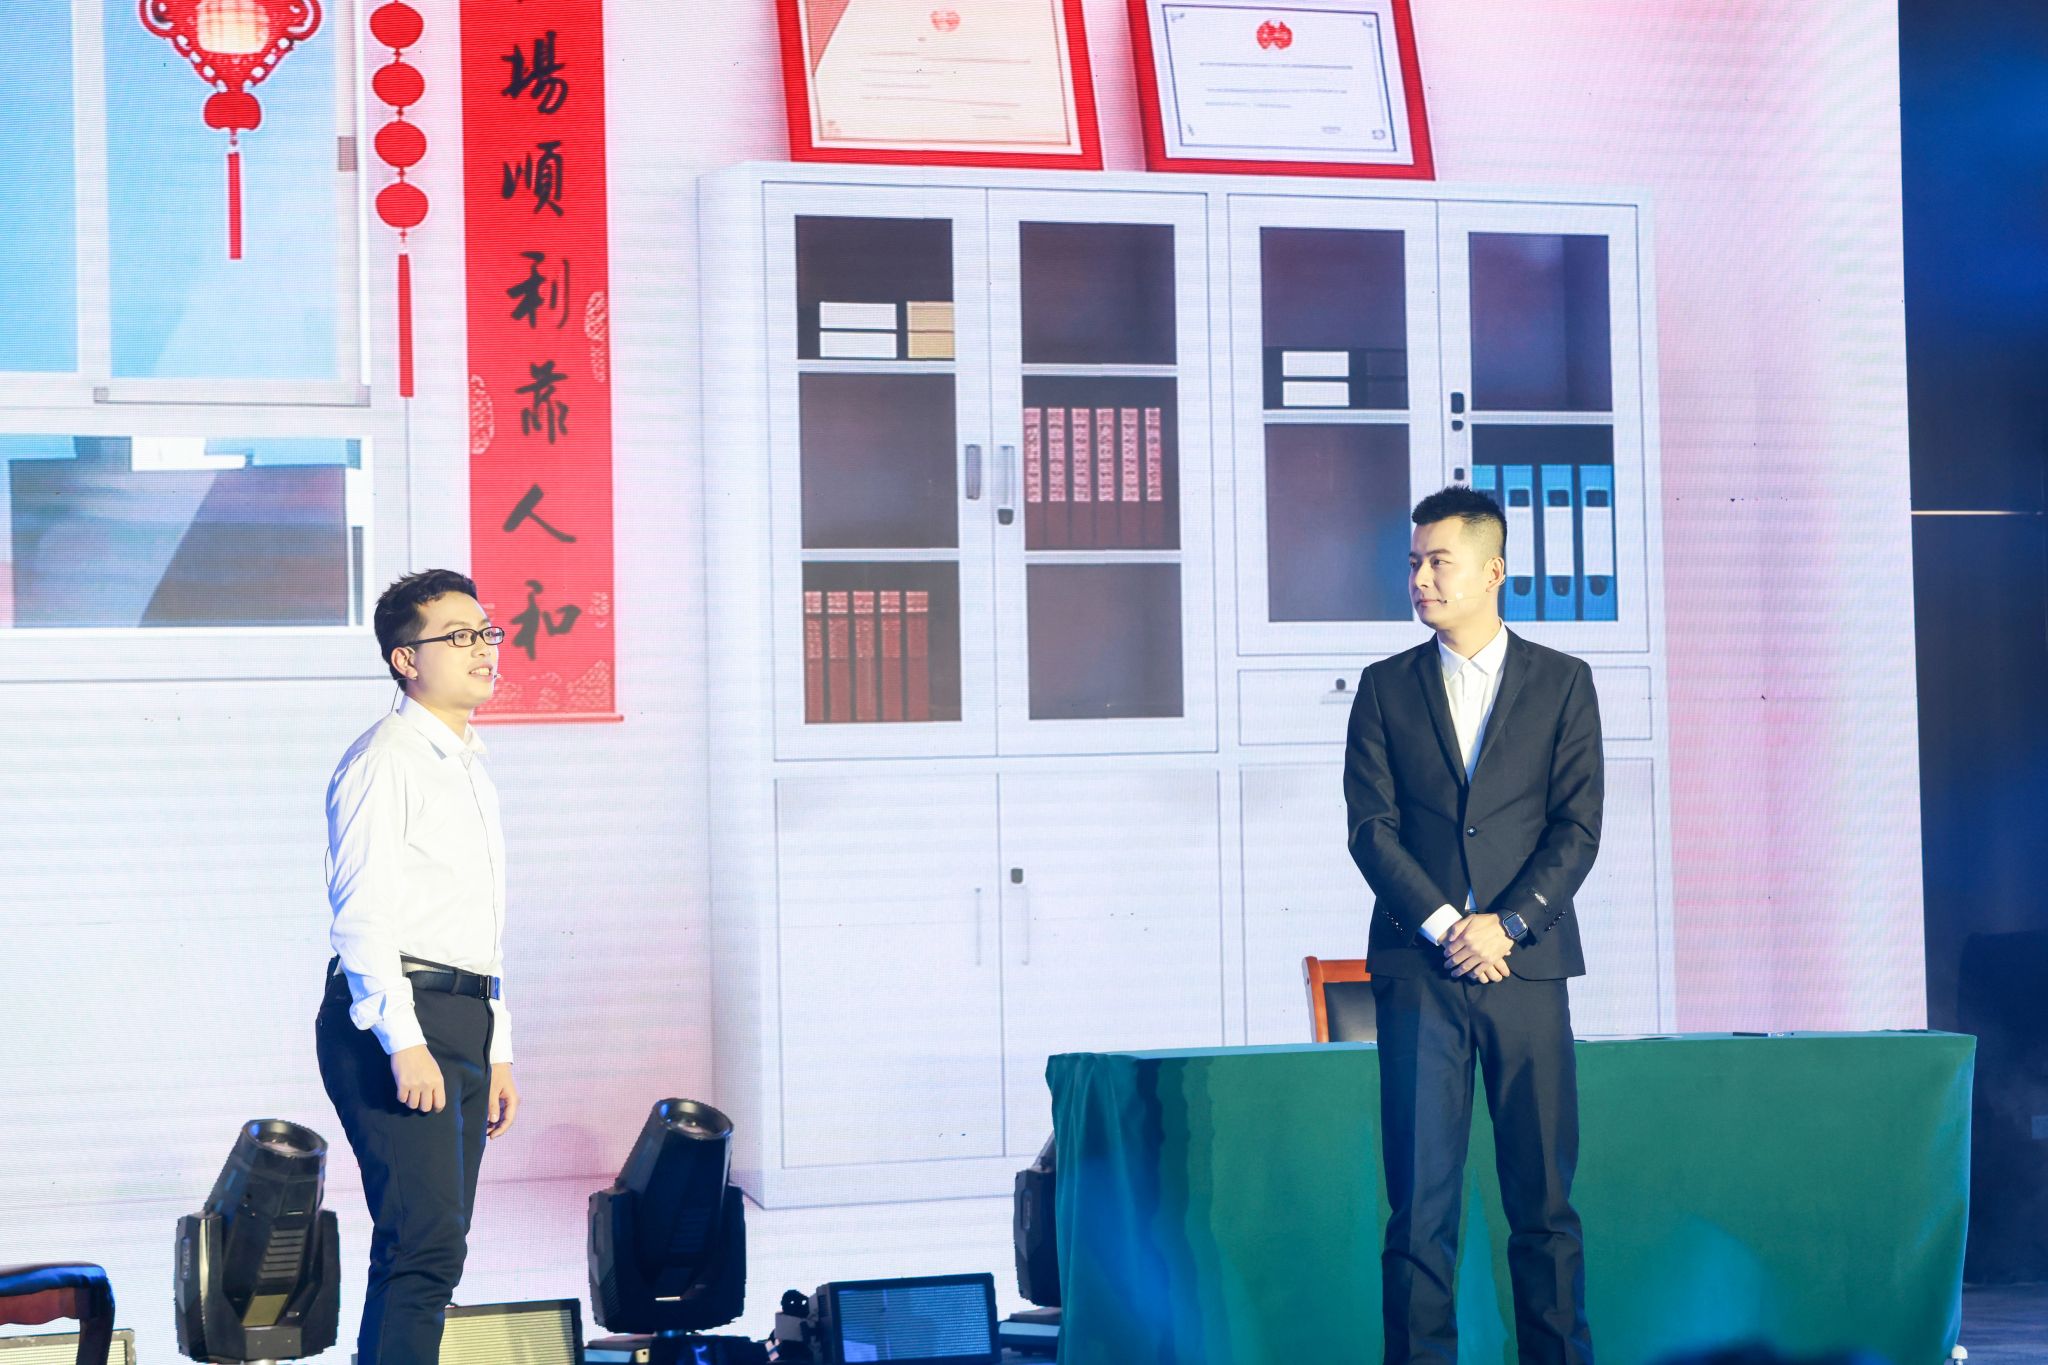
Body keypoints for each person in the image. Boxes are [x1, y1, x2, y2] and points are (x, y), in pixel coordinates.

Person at [1343, 486, 1602, 1364]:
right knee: (1420, 1212)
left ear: (1493, 571)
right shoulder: (1384, 687)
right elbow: (1370, 829)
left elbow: (1577, 828)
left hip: (1526, 972)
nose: (1420, 577)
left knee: (1545, 1207)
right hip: (1422, 975)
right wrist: (1452, 925)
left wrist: (1509, 925)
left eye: (1438, 561)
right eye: (1413, 562)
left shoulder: (1563, 681)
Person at [315, 569, 521, 1365]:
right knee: (424, 1244)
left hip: (463, 1017)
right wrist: (404, 1041)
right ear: (406, 659)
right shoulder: (386, 759)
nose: (483, 648)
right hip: (399, 1016)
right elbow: (362, 915)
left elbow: (478, 927)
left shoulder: (467, 761)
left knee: (431, 1247)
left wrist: (497, 1046)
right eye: (459, 636)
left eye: (485, 632)